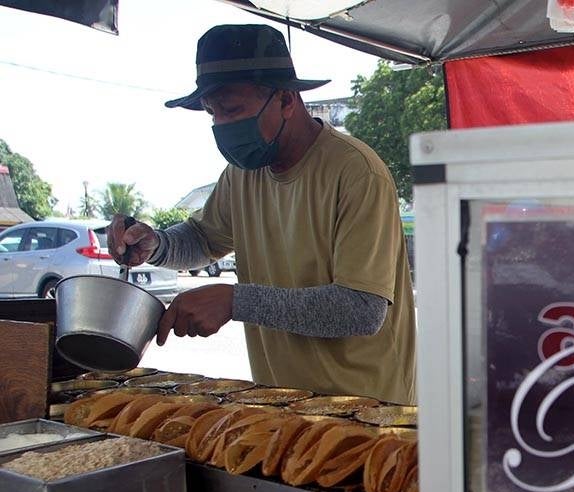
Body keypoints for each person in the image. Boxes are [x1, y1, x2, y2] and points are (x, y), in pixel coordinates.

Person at [109, 24, 415, 405]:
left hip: (365, 411)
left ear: (287, 100)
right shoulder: (242, 174)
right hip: (282, 404)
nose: (221, 125)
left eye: (232, 109)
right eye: (212, 113)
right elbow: (203, 239)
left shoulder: (356, 172)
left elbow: (361, 310)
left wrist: (235, 301)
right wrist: (155, 246)